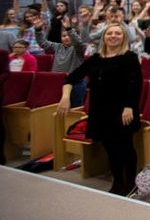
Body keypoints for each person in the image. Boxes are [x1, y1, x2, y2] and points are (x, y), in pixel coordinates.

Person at [56, 23, 142, 195]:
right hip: (100, 111)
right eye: (110, 33)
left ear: (124, 37)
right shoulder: (96, 59)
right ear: (104, 37)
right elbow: (71, 79)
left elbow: (135, 84)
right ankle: (118, 182)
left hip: (122, 110)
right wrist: (65, 97)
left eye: (118, 33)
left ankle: (131, 183)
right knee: (110, 148)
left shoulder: (129, 57)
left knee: (125, 147)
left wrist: (129, 107)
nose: (113, 36)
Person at [34, 12, 88, 106]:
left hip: (75, 82)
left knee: (74, 108)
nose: (66, 38)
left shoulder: (78, 48)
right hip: (58, 80)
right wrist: (38, 29)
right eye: (63, 36)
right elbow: (43, 43)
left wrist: (69, 28)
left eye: (68, 36)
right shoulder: (57, 46)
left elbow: (78, 42)